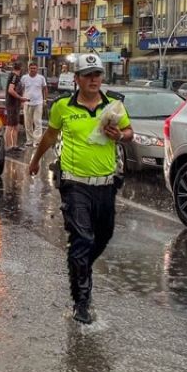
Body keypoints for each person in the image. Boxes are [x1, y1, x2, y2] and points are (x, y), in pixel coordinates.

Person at [28, 53, 133, 324]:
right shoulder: (63, 106)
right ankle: (82, 301)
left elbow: (129, 132)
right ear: (77, 80)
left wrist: (120, 136)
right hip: (75, 184)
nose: (94, 79)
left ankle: (80, 266)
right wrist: (35, 160)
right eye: (88, 75)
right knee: (82, 239)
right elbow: (50, 135)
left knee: (103, 236)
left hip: (106, 184)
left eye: (97, 74)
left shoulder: (114, 107)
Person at [19, 62, 47, 146]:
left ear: (37, 69)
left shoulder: (41, 78)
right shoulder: (24, 78)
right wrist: (21, 100)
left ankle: (37, 140)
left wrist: (45, 99)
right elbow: (21, 89)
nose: (33, 70)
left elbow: (45, 89)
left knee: (37, 122)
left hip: (38, 103)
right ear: (28, 69)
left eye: (34, 68)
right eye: (31, 68)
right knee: (28, 123)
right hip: (27, 103)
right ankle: (29, 140)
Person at [4, 60, 24, 153]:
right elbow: (11, 90)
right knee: (10, 125)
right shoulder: (14, 77)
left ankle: (14, 145)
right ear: (21, 68)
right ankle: (8, 146)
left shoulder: (15, 76)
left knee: (15, 125)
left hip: (15, 104)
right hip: (12, 104)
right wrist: (20, 98)